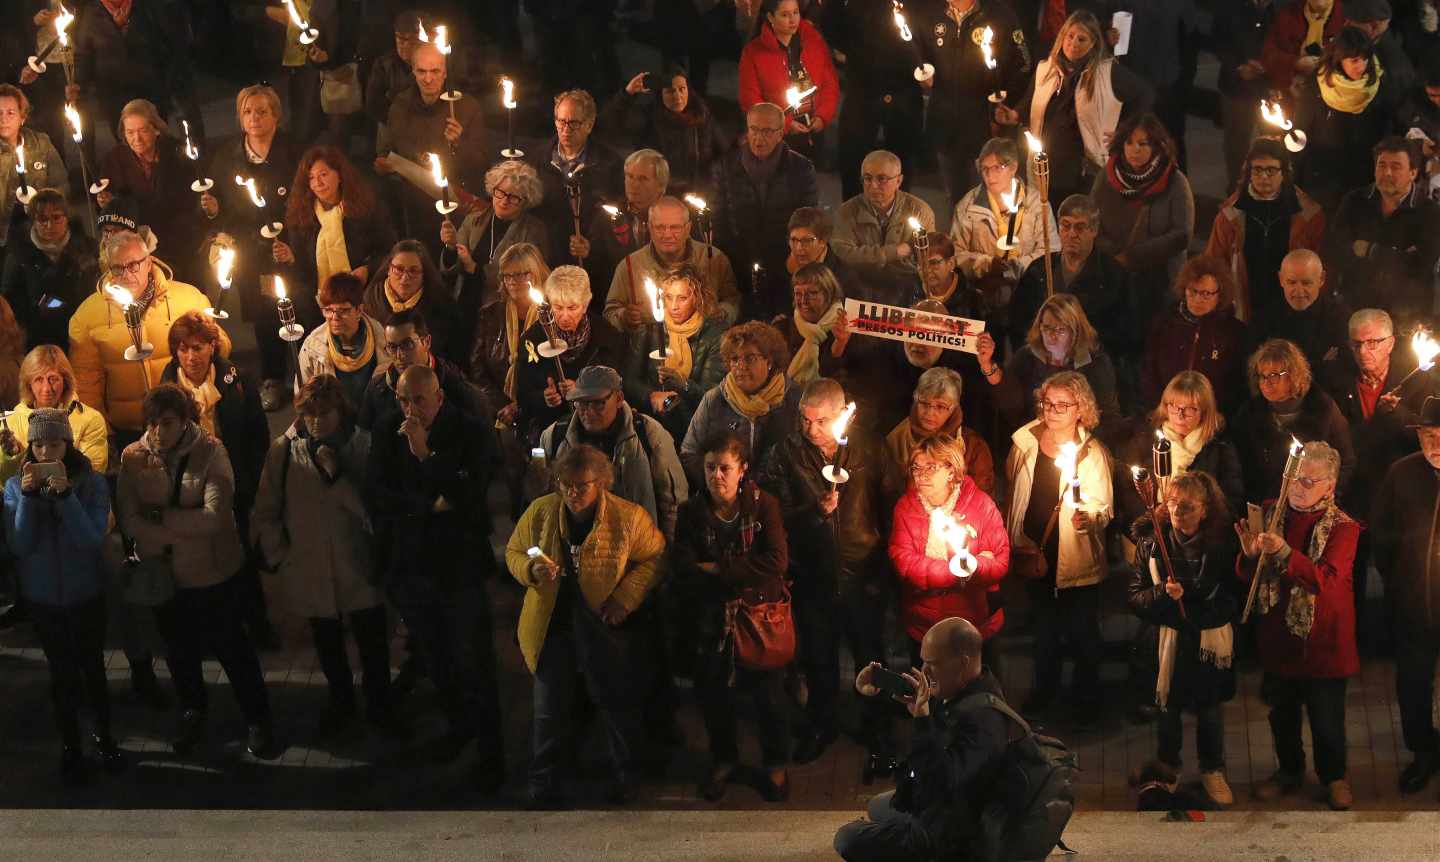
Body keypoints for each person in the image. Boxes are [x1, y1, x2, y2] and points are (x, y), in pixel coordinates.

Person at [117, 384, 282, 760]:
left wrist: (160, 519)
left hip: (212, 573)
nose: (159, 432)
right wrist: (172, 526)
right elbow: (129, 519)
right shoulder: (133, 457)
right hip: (165, 577)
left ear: (186, 419)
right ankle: (192, 711)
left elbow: (215, 517)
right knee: (179, 653)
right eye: (153, 423)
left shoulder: (211, 452)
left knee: (233, 649)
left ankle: (259, 719)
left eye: (169, 422)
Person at [368, 365, 505, 792]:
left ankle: (492, 755)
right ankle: (457, 727)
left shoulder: (470, 432)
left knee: (475, 661)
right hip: (411, 567)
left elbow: (467, 499)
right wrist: (431, 503)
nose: (410, 410)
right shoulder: (387, 428)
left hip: (458, 567)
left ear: (439, 398)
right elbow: (379, 494)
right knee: (437, 658)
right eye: (403, 400)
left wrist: (427, 456)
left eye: (419, 401)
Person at [507, 443, 666, 808]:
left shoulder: (628, 518)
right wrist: (531, 569)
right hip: (553, 623)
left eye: (582, 485)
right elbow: (516, 551)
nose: (572, 493)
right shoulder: (542, 512)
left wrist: (625, 598)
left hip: (602, 624)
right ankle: (543, 781)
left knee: (615, 702)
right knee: (548, 707)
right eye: (565, 484)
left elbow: (655, 557)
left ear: (602, 484)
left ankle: (627, 777)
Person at [251, 374, 402, 741]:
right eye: (309, 414)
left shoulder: (360, 447)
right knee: (328, 643)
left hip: (356, 563)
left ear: (340, 411)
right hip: (311, 565)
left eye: (324, 413)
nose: (316, 421)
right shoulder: (283, 451)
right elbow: (266, 508)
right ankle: (341, 703)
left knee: (372, 642)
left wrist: (338, 478)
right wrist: (281, 553)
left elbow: (373, 507)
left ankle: (380, 705)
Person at [758, 378, 887, 769]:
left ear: (841, 416)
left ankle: (877, 727)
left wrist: (882, 567)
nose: (811, 429)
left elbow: (885, 503)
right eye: (805, 419)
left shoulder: (865, 449)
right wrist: (812, 512)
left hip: (860, 568)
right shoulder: (786, 453)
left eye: (821, 421)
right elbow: (770, 514)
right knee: (819, 656)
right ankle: (822, 722)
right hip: (813, 570)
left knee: (870, 655)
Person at [1238, 441, 1360, 810]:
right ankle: (1289, 771)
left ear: (1330, 485)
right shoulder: (1273, 513)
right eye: (1293, 478)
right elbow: (1251, 575)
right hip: (1280, 638)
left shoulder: (1343, 528)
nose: (1298, 487)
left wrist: (1286, 553)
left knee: (1326, 720)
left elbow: (1325, 580)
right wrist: (1250, 556)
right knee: (1282, 715)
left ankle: (1334, 776)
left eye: (1309, 481)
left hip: (1323, 642)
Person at [3, 407, 121, 784]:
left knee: (92, 668)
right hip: (43, 598)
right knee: (61, 673)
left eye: (53, 443)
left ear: (67, 443)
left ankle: (104, 736)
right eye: (38, 444)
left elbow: (90, 539)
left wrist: (67, 498)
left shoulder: (92, 483)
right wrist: (29, 500)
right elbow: (20, 544)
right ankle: (70, 744)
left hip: (84, 591)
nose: (45, 452)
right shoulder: (13, 487)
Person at [673, 431, 791, 802]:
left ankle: (775, 762)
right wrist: (736, 569)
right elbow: (683, 564)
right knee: (713, 695)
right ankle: (724, 758)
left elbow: (776, 562)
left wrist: (718, 568)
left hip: (758, 615)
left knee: (768, 696)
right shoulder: (692, 512)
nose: (717, 476)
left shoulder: (763, 506)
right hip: (712, 620)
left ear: (742, 470)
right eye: (710, 468)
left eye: (725, 468)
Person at [833, 617, 1010, 862]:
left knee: (847, 838)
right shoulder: (968, 686)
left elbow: (937, 783)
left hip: (954, 831)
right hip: (944, 806)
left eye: (932, 664)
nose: (924, 671)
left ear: (962, 662)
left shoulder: (984, 722)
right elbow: (921, 702)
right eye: (923, 662)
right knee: (878, 805)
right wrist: (872, 690)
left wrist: (923, 721)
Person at [159, 310, 274, 648]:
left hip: (233, 482)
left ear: (212, 346)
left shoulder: (236, 381)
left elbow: (256, 435)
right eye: (182, 349)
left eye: (197, 348)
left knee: (240, 556)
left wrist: (251, 483)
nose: (190, 357)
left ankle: (256, 623)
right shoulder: (166, 387)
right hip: (189, 489)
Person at [1004, 370, 1113, 724]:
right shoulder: (1026, 442)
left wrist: (1090, 519)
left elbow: (1103, 506)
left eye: (1062, 405)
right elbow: (1014, 487)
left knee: (1082, 632)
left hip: (1073, 555)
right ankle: (1044, 690)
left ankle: (1087, 701)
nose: (1052, 411)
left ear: (1081, 409)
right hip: (1035, 550)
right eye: (1047, 403)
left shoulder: (1091, 454)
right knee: (1043, 630)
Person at [1128, 471, 1240, 807]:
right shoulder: (1151, 543)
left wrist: (1195, 616)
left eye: (1187, 507)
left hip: (1206, 639)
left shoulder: (1222, 544)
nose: (1178, 512)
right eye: (1172, 504)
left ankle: (1212, 769)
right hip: (1168, 640)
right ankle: (1168, 769)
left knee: (1209, 710)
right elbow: (1135, 596)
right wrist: (1163, 593)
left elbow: (1232, 599)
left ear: (1205, 510)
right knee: (1168, 710)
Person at [1326, 308, 1433, 648]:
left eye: (1373, 342)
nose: (1364, 352)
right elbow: (1340, 442)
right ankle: (1355, 641)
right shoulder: (1337, 381)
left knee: (1400, 569)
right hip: (1357, 493)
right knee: (1351, 569)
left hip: (1403, 493)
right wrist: (1378, 425)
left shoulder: (1421, 381)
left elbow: (1427, 433)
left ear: (1390, 344)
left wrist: (1400, 416)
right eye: (1357, 344)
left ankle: (1397, 639)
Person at [68, 229, 229, 441]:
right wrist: (103, 435)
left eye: (133, 265)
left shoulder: (188, 298)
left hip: (185, 420)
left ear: (149, 262)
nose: (126, 274)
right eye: (118, 268)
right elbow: (87, 385)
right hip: (129, 429)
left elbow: (221, 352)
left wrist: (213, 339)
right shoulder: (88, 316)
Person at [200, 85, 303, 407]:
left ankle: (305, 374)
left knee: (297, 308)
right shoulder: (227, 157)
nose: (254, 118)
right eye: (248, 111)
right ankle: (272, 376)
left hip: (289, 245)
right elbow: (222, 209)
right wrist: (215, 212)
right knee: (263, 316)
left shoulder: (294, 152)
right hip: (251, 249)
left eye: (261, 111)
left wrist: (290, 239)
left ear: (276, 116)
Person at [272, 144, 395, 403]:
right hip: (320, 297)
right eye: (311, 178)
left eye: (323, 174)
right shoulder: (302, 215)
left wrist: (367, 269)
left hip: (363, 290)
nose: (317, 183)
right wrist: (291, 259)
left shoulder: (364, 206)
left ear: (340, 174)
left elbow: (389, 247)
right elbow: (303, 272)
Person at [995, 10, 1154, 205]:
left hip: (1081, 171)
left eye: (1082, 39)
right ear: (1062, 36)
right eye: (1070, 36)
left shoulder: (1106, 73)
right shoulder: (1046, 68)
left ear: (1093, 43)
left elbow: (1145, 94)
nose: (1074, 44)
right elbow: (1029, 103)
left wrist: (1125, 131)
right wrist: (1014, 115)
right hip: (1043, 165)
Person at [891, 435, 1010, 682]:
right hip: (925, 624)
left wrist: (976, 565)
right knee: (929, 696)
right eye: (916, 467)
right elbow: (904, 562)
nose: (921, 475)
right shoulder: (905, 507)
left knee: (980, 695)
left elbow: (999, 561)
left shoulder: (980, 505)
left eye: (931, 467)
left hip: (974, 622)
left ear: (951, 470)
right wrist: (955, 572)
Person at [1373, 396, 1440, 795]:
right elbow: (1383, 535)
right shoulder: (1402, 474)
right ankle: (1423, 752)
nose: (1433, 445)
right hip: (1414, 606)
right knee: (1413, 684)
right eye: (1427, 436)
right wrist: (1400, 581)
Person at [538, 365, 689, 542]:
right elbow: (543, 500)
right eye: (581, 403)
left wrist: (665, 551)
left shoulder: (649, 434)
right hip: (575, 545)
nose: (588, 411)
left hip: (635, 545)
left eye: (599, 403)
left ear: (618, 398)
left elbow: (672, 500)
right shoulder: (555, 437)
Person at [915, 0, 1032, 207]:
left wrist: (1006, 102)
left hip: (986, 125)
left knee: (990, 199)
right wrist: (923, 73)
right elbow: (919, 52)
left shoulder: (999, 14)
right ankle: (959, 238)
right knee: (956, 200)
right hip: (945, 123)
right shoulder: (931, 13)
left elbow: (1023, 64)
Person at [710, 102, 819, 321]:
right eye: (754, 129)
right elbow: (718, 217)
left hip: (782, 259)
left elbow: (807, 217)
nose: (759, 138)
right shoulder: (726, 166)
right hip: (738, 258)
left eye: (767, 131)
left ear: (780, 133)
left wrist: (794, 254)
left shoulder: (801, 169)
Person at [68, 0, 201, 173]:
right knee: (128, 143)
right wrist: (78, 84)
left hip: (151, 91)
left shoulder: (148, 7)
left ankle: (162, 180)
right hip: (113, 95)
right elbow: (83, 55)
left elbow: (170, 47)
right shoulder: (90, 13)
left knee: (156, 141)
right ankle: (138, 183)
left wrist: (167, 82)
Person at [1203, 138, 1326, 324]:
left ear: (1284, 173)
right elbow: (1214, 264)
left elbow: (1321, 267)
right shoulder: (1230, 216)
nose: (1264, 176)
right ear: (1249, 173)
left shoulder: (1309, 215)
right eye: (1258, 169)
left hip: (1294, 311)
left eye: (1271, 170)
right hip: (1247, 310)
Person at [1092, 113, 1195, 329]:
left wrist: (1133, 257)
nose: (1134, 150)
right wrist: (1114, 255)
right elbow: (1091, 222)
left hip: (1160, 283)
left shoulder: (1174, 181)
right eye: (1129, 142)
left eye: (1143, 143)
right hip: (1114, 278)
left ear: (1157, 146)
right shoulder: (1107, 177)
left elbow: (1181, 235)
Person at [375, 41, 485, 242]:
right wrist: (384, 164)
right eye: (421, 71)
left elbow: (480, 165)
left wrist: (460, 143)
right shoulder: (400, 105)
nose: (428, 79)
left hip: (454, 202)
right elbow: (388, 151)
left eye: (435, 71)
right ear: (413, 71)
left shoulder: (467, 108)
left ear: (445, 72)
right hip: (412, 203)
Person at [950, 138, 1062, 334]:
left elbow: (1051, 248)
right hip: (985, 297)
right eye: (985, 169)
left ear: (1013, 168)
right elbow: (955, 253)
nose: (990, 175)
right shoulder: (968, 207)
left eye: (997, 167)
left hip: (1028, 294)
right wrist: (985, 263)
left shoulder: (1036, 203)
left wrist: (1017, 267)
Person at [981, 292, 1123, 445]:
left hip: (1082, 445)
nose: (1051, 336)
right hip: (1033, 443)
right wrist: (987, 364)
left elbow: (1108, 419)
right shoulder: (1027, 357)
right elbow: (1011, 407)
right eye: (1047, 328)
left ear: (1075, 331)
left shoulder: (1096, 365)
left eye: (1060, 330)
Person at [1326, 137, 1440, 327]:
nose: (1387, 173)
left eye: (1396, 166)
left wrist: (1369, 250)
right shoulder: (1355, 201)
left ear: (1413, 173)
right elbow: (1334, 251)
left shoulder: (1430, 212)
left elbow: (1422, 266)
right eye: (1382, 165)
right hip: (1355, 309)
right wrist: (1398, 255)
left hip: (1406, 318)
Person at [1012, 194, 1133, 366]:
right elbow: (1019, 321)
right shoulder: (1039, 270)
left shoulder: (1113, 275)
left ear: (1094, 230)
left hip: (1089, 366)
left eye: (1080, 227)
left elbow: (1123, 333)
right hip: (1042, 364)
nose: (1072, 234)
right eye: (1066, 226)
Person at [1234, 338, 1357, 504]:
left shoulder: (1323, 409)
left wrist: (1324, 497)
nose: (1266, 383)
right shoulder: (1249, 414)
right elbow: (1240, 469)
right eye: (1262, 376)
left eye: (1274, 375)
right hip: (1266, 506)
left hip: (1311, 507)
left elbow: (1346, 462)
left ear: (1293, 374)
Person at [1116, 371, 1246, 524]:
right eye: (1174, 406)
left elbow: (1231, 500)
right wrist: (1150, 515)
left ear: (1204, 411)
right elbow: (1127, 490)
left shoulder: (1219, 448)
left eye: (1190, 409)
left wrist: (1194, 516)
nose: (1180, 415)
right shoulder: (1145, 438)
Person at [514, 265, 624, 446]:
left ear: (585, 304)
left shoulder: (606, 336)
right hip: (551, 432)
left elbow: (618, 387)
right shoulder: (533, 339)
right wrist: (545, 398)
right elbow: (523, 396)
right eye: (558, 307)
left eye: (572, 308)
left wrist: (582, 390)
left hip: (597, 432)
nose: (564, 317)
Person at [96, 100, 202, 282]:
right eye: (130, 132)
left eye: (143, 131)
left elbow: (190, 202)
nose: (136, 139)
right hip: (137, 248)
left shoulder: (178, 154)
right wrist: (107, 204)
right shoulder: (114, 160)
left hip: (178, 241)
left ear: (157, 129)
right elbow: (111, 214)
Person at [680, 321, 798, 485]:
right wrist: (721, 483)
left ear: (769, 361)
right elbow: (689, 453)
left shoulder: (793, 399)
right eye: (734, 359)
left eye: (750, 358)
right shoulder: (714, 399)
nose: (740, 366)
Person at [439, 159, 550, 333]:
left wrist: (474, 268)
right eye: (500, 192)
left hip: (503, 316)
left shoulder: (534, 231)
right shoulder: (474, 219)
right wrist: (450, 248)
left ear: (525, 201)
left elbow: (529, 280)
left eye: (513, 197)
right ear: (492, 191)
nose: (504, 201)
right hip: (465, 306)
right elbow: (450, 271)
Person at [621, 263, 727, 442]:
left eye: (682, 298)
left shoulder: (713, 335)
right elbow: (628, 381)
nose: (674, 306)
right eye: (669, 297)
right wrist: (652, 395)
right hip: (651, 424)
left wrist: (684, 385)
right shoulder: (650, 330)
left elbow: (713, 397)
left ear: (697, 298)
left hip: (693, 427)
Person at [603, 196, 739, 333]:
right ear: (649, 228)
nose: (667, 235)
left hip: (705, 348)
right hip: (652, 350)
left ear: (688, 228)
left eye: (675, 227)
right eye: (660, 227)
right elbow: (610, 313)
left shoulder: (713, 259)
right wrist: (624, 317)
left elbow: (733, 301)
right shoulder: (629, 266)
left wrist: (721, 314)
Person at [1294, 27, 1397, 209]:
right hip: (1324, 177)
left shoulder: (1379, 84)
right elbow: (1301, 132)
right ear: (1339, 59)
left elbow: (1388, 127)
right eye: (1354, 60)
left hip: (1364, 175)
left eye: (1365, 59)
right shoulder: (1318, 86)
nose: (1361, 66)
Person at [1139, 256, 1251, 417]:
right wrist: (1161, 408)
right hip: (1167, 414)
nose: (1198, 299)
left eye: (1206, 294)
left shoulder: (1234, 332)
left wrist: (1216, 415)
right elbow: (1149, 371)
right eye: (1193, 291)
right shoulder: (1165, 324)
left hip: (1213, 418)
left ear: (1220, 294)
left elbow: (1238, 384)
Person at [600, 66, 728, 198]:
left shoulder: (702, 116)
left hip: (698, 196)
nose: (677, 96)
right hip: (662, 196)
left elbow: (723, 154)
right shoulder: (649, 119)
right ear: (660, 94)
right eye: (670, 91)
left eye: (681, 89)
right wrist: (627, 94)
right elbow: (609, 126)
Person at [526, 89, 620, 265]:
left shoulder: (609, 164)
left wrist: (593, 246)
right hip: (546, 258)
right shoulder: (538, 159)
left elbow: (616, 218)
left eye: (574, 123)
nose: (566, 129)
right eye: (561, 121)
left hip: (590, 265)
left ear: (589, 125)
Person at [831, 150, 936, 307]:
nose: (873, 185)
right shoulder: (846, 212)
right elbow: (845, 255)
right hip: (859, 291)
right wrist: (895, 252)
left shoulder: (919, 211)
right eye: (867, 178)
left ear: (899, 181)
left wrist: (868, 256)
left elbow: (928, 257)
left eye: (881, 179)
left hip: (906, 293)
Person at [737, 0, 840, 162]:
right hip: (776, 136)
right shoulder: (753, 52)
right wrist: (784, 123)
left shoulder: (813, 41)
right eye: (785, 15)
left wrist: (822, 116)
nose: (792, 20)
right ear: (770, 17)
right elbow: (750, 99)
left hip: (813, 128)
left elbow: (830, 82)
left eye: (795, 12)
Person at [883, 367, 997, 505]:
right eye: (924, 403)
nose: (930, 413)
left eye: (940, 406)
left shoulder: (973, 446)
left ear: (954, 407)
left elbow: (982, 502)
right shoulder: (897, 438)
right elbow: (886, 496)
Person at [3, 187, 98, 352]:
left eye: (56, 218)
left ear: (66, 218)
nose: (49, 225)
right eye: (42, 219)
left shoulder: (87, 249)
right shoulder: (19, 257)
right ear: (33, 220)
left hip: (82, 337)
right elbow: (10, 304)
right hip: (38, 342)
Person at [359, 308, 485, 431]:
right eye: (392, 347)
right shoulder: (377, 390)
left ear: (426, 342)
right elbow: (364, 446)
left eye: (407, 345)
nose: (399, 355)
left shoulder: (458, 391)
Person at [0, 346, 109, 485]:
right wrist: (12, 457)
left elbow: (92, 476)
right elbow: (5, 482)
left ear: (65, 381)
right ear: (28, 384)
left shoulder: (90, 419)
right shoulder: (9, 422)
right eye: (39, 380)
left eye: (53, 379)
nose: (46, 389)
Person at [572, 149, 668, 294]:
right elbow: (597, 271)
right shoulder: (607, 217)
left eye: (642, 179)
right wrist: (587, 253)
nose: (633, 185)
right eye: (629, 176)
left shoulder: (675, 217)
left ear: (661, 186)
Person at [297, 272, 392, 411]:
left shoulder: (384, 340)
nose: (335, 317)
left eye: (343, 310)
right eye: (328, 310)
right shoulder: (312, 346)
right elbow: (303, 396)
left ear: (359, 310)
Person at [363, 240, 464, 367]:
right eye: (398, 269)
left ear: (424, 274)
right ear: (388, 269)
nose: (405, 278)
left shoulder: (442, 307)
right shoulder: (370, 301)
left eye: (413, 271)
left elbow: (455, 360)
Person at [1214, 0, 1279, 186]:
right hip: (1236, 87)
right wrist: (1238, 66)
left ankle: (1270, 193)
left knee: (1273, 145)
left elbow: (1285, 42)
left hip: (1270, 88)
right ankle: (1236, 194)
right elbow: (1218, 41)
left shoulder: (1280, 9)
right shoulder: (1230, 7)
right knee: (1237, 147)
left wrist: (1270, 68)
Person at [1258, 250, 1352, 378]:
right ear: (1280, 279)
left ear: (1322, 279)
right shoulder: (1264, 318)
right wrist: (1320, 365)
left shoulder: (1340, 318)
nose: (1299, 291)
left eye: (1306, 283)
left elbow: (1344, 373)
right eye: (1291, 282)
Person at [0, 84, 67, 257]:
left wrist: (45, 212)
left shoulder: (41, 143)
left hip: (39, 229)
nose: (3, 119)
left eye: (10, 113)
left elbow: (61, 185)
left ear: (22, 116)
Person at [1262, 0, 1347, 95]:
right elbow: (1268, 55)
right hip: (1289, 93)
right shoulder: (1288, 13)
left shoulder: (1347, 17)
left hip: (1334, 95)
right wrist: (1295, 63)